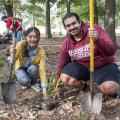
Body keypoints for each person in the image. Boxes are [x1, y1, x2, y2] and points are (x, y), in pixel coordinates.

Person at [56, 12, 120, 98]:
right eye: (68, 26)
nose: (72, 27)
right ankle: (85, 88)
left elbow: (111, 50)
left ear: (79, 22)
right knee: (65, 77)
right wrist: (56, 85)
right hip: (83, 68)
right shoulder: (66, 43)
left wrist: (97, 39)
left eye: (74, 23)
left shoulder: (94, 29)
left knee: (110, 88)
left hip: (103, 65)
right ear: (65, 28)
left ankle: (98, 88)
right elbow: (62, 63)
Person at [10, 27, 47, 98]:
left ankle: (33, 83)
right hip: (20, 68)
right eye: (30, 37)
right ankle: (25, 79)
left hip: (31, 68)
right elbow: (14, 61)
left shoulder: (41, 52)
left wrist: (44, 87)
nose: (32, 39)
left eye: (35, 37)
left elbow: (42, 69)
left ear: (38, 38)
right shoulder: (21, 45)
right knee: (24, 82)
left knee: (34, 68)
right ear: (26, 37)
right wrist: (13, 53)